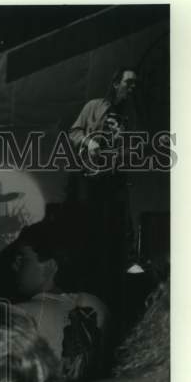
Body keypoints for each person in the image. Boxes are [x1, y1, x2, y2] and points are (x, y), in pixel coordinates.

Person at [11, 221, 109, 382]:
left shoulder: (21, 312)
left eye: (23, 258)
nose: (15, 265)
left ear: (50, 265)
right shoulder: (98, 306)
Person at [67, 69, 139, 294]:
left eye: (135, 84)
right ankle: (84, 284)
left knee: (113, 233)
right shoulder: (94, 106)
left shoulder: (131, 115)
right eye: (128, 82)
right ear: (116, 83)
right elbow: (73, 132)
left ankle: (108, 287)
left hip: (114, 181)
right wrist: (89, 143)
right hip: (89, 179)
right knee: (88, 230)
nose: (132, 87)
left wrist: (124, 147)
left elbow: (131, 150)